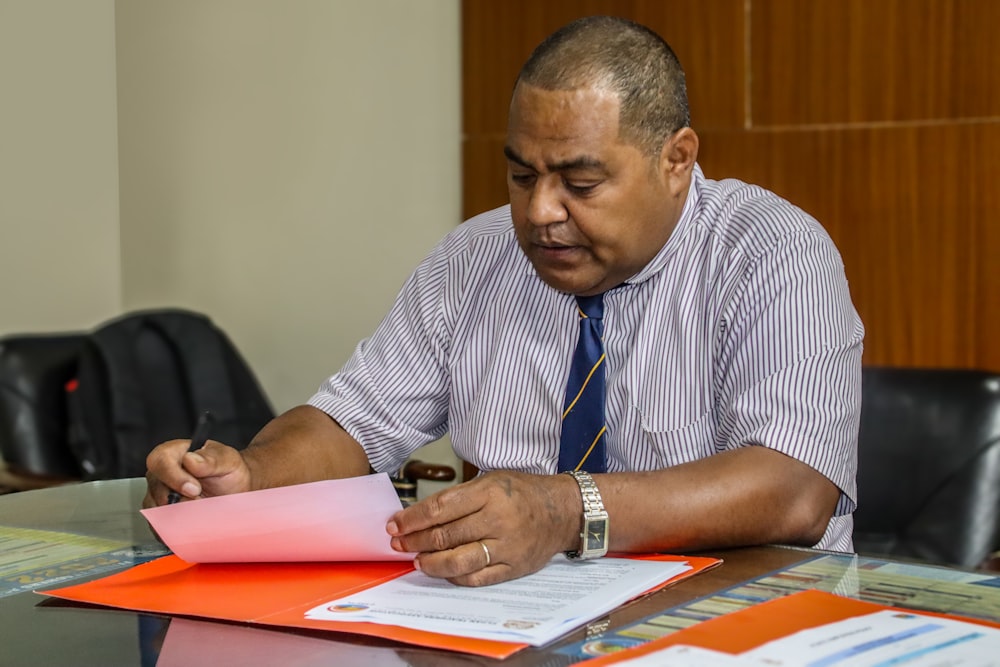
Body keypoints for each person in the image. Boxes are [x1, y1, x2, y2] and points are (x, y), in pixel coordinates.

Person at [145, 16, 863, 587]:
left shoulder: (770, 251)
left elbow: (795, 489)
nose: (541, 211)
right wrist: (252, 476)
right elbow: (348, 423)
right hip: (521, 623)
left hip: (736, 622)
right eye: (522, 176)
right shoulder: (476, 257)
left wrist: (562, 509)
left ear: (676, 160)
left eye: (580, 184)